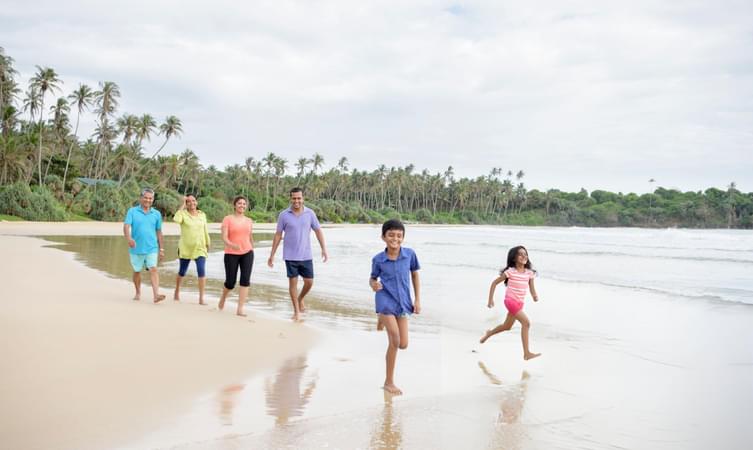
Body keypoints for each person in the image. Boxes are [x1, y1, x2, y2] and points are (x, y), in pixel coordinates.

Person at [369, 219, 421, 395]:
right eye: (391, 235)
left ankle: (382, 320)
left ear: (403, 238)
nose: (395, 239)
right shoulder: (378, 259)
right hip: (384, 299)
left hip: (403, 302)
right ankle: (388, 382)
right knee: (395, 340)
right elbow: (373, 278)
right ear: (383, 237)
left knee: (404, 344)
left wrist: (417, 300)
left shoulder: (410, 255)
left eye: (399, 236)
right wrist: (373, 285)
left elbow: (415, 275)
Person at [267, 187, 328, 321]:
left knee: (309, 282)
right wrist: (272, 254)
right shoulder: (284, 215)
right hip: (290, 255)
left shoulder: (310, 213)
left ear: (303, 198)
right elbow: (278, 235)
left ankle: (300, 298)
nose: (296, 201)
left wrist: (323, 248)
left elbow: (318, 231)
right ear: (290, 198)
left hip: (306, 254)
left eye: (299, 198)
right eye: (294, 198)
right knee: (292, 284)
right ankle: (296, 311)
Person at [479, 245, 541, 360]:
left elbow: (532, 288)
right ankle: (526, 353)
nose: (524, 256)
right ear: (514, 258)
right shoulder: (510, 272)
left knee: (507, 326)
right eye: (520, 254)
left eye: (525, 254)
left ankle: (489, 334)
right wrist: (490, 300)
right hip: (510, 301)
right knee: (526, 323)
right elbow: (494, 283)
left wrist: (534, 296)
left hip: (520, 303)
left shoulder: (529, 273)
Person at [123, 188, 166, 303]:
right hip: (136, 247)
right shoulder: (132, 211)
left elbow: (159, 231)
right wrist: (129, 238)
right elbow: (126, 226)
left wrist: (161, 248)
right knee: (137, 271)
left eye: (150, 198)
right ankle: (137, 292)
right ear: (141, 198)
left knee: (153, 269)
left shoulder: (156, 214)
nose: (148, 200)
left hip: (152, 247)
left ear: (153, 200)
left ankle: (156, 295)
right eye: (146, 197)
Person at [218, 196, 254, 317]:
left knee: (245, 281)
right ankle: (223, 297)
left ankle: (240, 309)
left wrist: (252, 248)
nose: (242, 205)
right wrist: (232, 245)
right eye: (239, 203)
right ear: (235, 205)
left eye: (244, 204)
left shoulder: (249, 220)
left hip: (247, 253)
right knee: (230, 282)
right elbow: (224, 237)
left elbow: (250, 237)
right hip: (231, 253)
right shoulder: (228, 219)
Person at [173, 194, 210, 305]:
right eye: (189, 201)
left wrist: (208, 243)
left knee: (201, 270)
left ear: (196, 202)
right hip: (186, 248)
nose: (192, 203)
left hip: (200, 247)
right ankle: (177, 291)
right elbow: (176, 219)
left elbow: (205, 230)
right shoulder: (183, 214)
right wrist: (183, 204)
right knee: (182, 271)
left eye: (193, 201)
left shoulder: (202, 215)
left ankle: (201, 298)